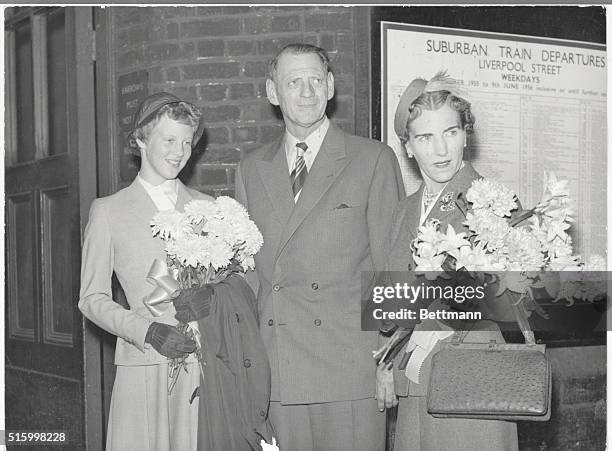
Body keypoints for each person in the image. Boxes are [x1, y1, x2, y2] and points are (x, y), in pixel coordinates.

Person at [234, 43, 405, 450]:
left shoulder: (372, 159)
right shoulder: (251, 169)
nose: (307, 92)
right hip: (278, 370)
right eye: (294, 82)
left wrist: (389, 362)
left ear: (330, 86)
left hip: (350, 369)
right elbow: (247, 278)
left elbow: (393, 269)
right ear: (273, 93)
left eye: (315, 80)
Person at [376, 72, 519, 450]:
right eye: (425, 137)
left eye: (450, 133)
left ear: (465, 135)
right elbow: (388, 303)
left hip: (474, 376)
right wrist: (385, 362)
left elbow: (521, 303)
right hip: (415, 380)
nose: (440, 150)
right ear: (407, 147)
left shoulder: (494, 204)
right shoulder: (404, 211)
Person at [79, 92, 213, 451]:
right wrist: (147, 330)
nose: (179, 151)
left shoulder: (208, 207)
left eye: (187, 142)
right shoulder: (109, 212)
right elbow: (91, 299)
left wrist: (213, 297)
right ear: (140, 139)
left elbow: (232, 283)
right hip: (146, 361)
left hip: (203, 363)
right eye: (169, 140)